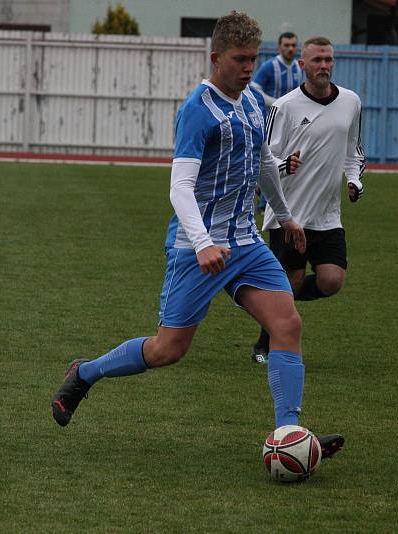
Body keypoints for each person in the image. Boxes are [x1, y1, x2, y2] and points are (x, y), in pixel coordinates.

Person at [51, 11, 344, 459]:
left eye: (253, 59)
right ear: (216, 58)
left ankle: (288, 433)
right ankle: (85, 373)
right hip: (197, 248)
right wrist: (204, 243)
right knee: (168, 349)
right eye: (240, 59)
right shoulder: (197, 110)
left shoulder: (250, 101)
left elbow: (264, 161)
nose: (248, 68)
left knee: (287, 324)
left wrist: (285, 215)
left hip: (245, 242)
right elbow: (180, 187)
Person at [250, 36, 366, 364]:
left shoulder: (351, 101)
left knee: (332, 280)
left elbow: (353, 150)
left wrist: (355, 181)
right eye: (317, 60)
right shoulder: (284, 107)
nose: (324, 66)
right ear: (302, 66)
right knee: (290, 281)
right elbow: (265, 161)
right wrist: (287, 165)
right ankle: (264, 343)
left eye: (328, 59)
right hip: (290, 213)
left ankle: (262, 301)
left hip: (328, 215)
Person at [250, 32, 302, 212]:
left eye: (293, 45)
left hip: (291, 122)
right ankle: (264, 204)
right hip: (271, 121)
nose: (290, 48)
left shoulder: (298, 67)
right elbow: (254, 89)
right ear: (279, 47)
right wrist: (277, 103)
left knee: (286, 160)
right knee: (271, 159)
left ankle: (263, 190)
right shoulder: (270, 66)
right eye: (287, 45)